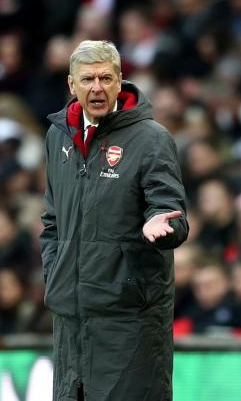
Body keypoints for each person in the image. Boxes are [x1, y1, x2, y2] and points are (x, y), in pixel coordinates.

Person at [39, 40, 188, 401]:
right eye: (88, 79)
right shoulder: (58, 135)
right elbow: (51, 221)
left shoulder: (151, 139)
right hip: (72, 320)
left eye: (106, 78)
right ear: (71, 85)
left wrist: (161, 226)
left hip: (129, 320)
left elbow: (173, 215)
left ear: (121, 81)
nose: (97, 88)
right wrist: (56, 270)